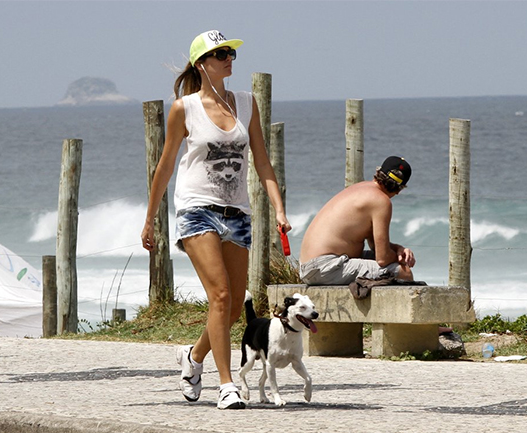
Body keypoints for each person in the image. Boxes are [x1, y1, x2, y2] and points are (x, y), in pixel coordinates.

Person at [141, 30, 290, 410]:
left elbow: (262, 160)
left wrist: (279, 209)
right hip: (196, 209)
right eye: (220, 53)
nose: (229, 59)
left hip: (237, 213)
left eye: (231, 53)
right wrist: (149, 220)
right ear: (201, 64)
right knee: (221, 295)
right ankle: (226, 386)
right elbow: (165, 165)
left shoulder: (246, 103)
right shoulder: (184, 108)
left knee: (234, 305)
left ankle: (193, 357)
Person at [299, 156, 416, 286]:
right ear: (399, 189)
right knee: (404, 273)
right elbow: (382, 258)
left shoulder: (361, 187)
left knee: (391, 266)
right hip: (326, 267)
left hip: (311, 266)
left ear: (378, 172)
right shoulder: (381, 201)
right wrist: (400, 259)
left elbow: (375, 245)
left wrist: (398, 249)